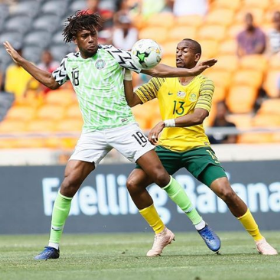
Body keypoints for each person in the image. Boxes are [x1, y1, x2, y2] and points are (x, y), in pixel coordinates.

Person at [3, 12, 219, 260]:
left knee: (159, 174)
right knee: (68, 183)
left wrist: (192, 71)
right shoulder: (70, 62)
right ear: (76, 39)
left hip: (123, 128)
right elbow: (51, 82)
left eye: (93, 34)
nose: (91, 40)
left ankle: (201, 226)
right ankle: (53, 246)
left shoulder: (113, 54)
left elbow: (154, 69)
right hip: (93, 133)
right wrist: (21, 61)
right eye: (85, 36)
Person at [123, 38, 278, 256]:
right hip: (166, 148)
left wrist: (165, 122)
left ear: (196, 57)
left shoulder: (205, 83)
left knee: (227, 192)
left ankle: (259, 240)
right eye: (177, 50)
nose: (178, 54)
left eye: (184, 51)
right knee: (133, 183)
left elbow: (199, 116)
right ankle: (161, 233)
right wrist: (127, 72)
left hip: (196, 147)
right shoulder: (162, 81)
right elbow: (131, 100)